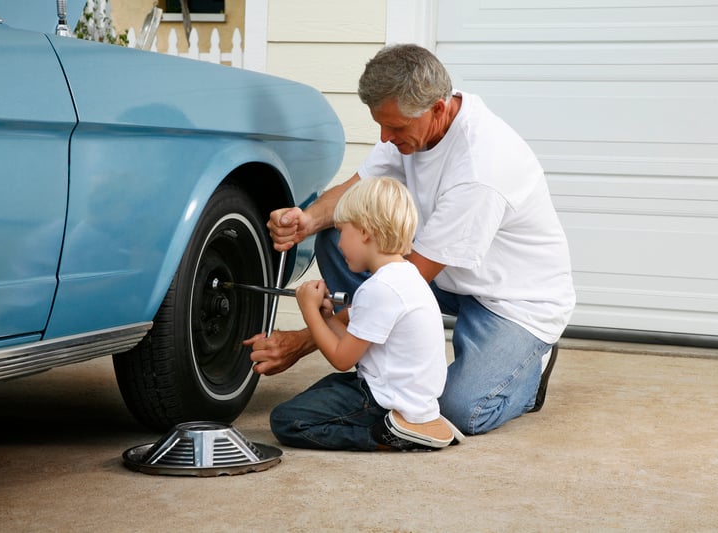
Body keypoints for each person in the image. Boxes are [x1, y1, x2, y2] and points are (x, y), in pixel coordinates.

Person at [245, 43, 576, 436]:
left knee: (458, 410)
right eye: (380, 125)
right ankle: (376, 352)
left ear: (437, 108)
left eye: (396, 128)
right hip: (450, 277)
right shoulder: (411, 129)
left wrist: (305, 338)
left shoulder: (481, 169)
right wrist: (306, 220)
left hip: (512, 302)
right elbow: (357, 194)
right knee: (339, 237)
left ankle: (528, 375)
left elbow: (406, 281)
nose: (385, 137)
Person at [269, 177, 458, 451]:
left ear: (366, 232)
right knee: (325, 390)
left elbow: (342, 358)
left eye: (342, 231)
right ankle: (408, 425)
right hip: (405, 395)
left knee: (286, 419)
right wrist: (325, 318)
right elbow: (354, 341)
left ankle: (386, 437)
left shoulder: (379, 289)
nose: (340, 243)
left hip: (386, 401)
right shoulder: (405, 277)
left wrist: (309, 310)